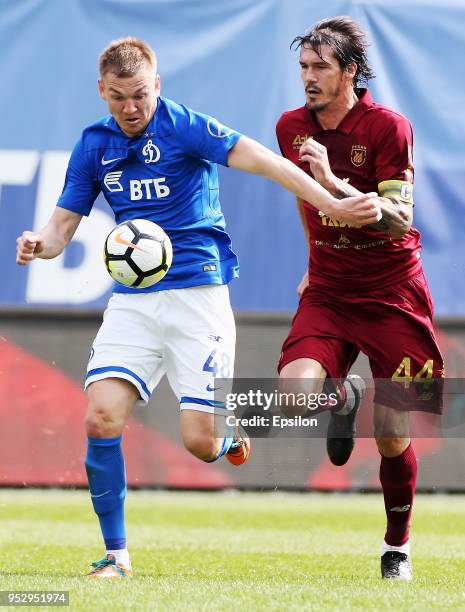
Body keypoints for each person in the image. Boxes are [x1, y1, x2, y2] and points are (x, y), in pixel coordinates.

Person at [15, 37, 380, 579]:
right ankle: (116, 558)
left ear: (157, 86)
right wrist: (38, 244)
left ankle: (232, 436)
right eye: (118, 97)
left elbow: (265, 162)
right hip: (132, 303)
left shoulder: (185, 126)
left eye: (140, 94)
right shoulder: (93, 145)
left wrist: (330, 202)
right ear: (102, 92)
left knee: (200, 442)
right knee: (99, 419)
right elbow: (61, 227)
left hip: (197, 298)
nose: (131, 108)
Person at [276, 16, 444, 581]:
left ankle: (396, 548)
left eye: (320, 67)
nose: (308, 77)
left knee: (394, 432)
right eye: (303, 67)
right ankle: (340, 401)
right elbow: (305, 202)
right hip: (329, 288)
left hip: (393, 290)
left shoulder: (389, 128)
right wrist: (310, 261)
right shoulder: (290, 127)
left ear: (350, 72)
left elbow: (399, 221)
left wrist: (337, 182)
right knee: (293, 398)